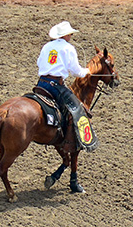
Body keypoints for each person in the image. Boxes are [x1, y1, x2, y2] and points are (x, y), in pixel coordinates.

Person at [36, 20, 98, 164]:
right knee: (77, 109)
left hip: (41, 84)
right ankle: (69, 143)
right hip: (56, 86)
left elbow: (39, 63)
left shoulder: (47, 46)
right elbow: (77, 72)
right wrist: (88, 71)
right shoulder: (68, 48)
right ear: (67, 35)